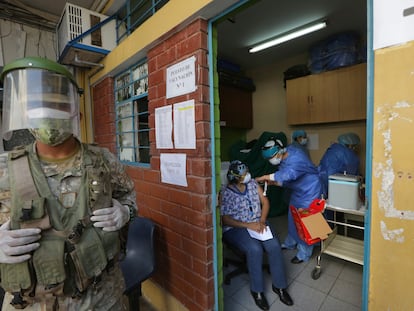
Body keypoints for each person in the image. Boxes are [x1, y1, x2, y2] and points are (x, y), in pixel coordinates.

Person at [0, 57, 137, 311]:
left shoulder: (103, 160)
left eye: (57, 107)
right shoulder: (5, 167)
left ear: (76, 114)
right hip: (33, 303)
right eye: (40, 108)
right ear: (26, 115)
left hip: (104, 297)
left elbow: (129, 196)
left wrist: (126, 211)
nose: (48, 116)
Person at [220, 160, 293, 310]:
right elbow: (225, 219)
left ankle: (279, 287)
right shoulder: (226, 192)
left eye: (247, 172)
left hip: (258, 223)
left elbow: (265, 202)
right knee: (255, 249)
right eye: (243, 174)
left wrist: (262, 220)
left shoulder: (253, 184)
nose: (248, 175)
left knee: (274, 246)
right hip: (237, 227)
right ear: (234, 177)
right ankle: (257, 291)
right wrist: (248, 225)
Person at [256, 138, 322, 264]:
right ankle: (290, 243)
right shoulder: (285, 155)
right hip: (298, 191)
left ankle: (304, 253)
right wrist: (274, 182)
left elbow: (290, 174)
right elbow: (286, 177)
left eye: (272, 157)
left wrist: (265, 177)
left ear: (280, 151)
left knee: (307, 222)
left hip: (310, 190)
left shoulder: (297, 156)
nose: (271, 160)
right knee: (293, 217)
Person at [318, 132, 361, 198]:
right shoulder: (350, 155)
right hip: (340, 188)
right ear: (351, 144)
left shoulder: (332, 149)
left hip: (322, 183)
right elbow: (353, 174)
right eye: (354, 146)